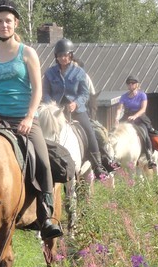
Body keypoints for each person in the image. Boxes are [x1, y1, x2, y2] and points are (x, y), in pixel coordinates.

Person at [0, 0, 62, 239]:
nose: (4, 25)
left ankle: (46, 215)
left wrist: (29, 117)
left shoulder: (28, 53)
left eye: (8, 21)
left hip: (25, 119)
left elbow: (38, 91)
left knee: (44, 162)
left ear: (15, 23)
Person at [43, 39, 109, 177]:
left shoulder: (79, 72)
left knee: (90, 131)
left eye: (65, 55)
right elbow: (45, 92)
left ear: (71, 55)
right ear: (56, 57)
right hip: (55, 110)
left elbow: (85, 93)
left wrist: (76, 103)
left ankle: (98, 165)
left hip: (76, 110)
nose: (62, 58)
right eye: (60, 55)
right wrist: (52, 105)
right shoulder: (50, 73)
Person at [114, 75, 157, 168]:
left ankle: (150, 157)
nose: (130, 85)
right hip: (126, 117)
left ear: (137, 84)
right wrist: (117, 118)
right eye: (128, 84)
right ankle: (115, 158)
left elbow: (143, 109)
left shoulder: (142, 95)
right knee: (115, 133)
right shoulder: (124, 96)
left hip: (140, 118)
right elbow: (119, 109)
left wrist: (135, 116)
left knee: (144, 133)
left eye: (132, 83)